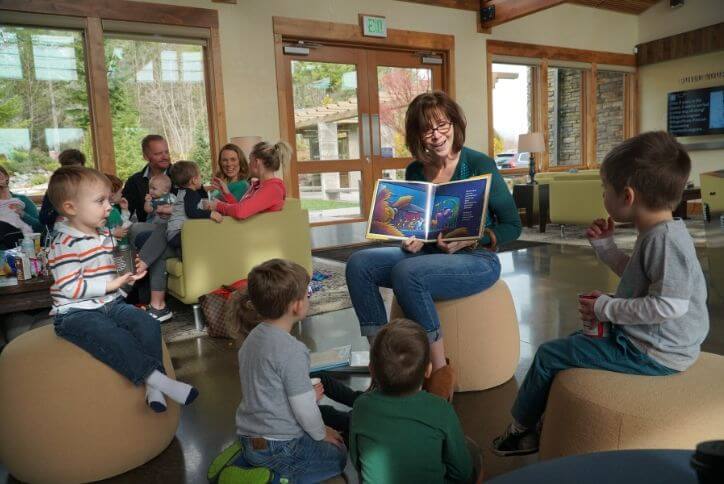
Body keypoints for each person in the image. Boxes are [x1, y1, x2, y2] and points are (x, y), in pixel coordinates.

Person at [492, 131, 709, 456]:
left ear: (627, 196)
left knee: (549, 355)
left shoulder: (664, 241)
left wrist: (607, 308)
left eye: (605, 189)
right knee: (579, 339)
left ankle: (520, 431)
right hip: (657, 341)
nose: (603, 195)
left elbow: (669, 306)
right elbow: (640, 280)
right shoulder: (658, 233)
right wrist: (606, 250)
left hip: (655, 352)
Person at [345, 91, 521, 400]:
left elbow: (513, 226)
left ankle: (440, 372)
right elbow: (415, 222)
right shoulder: (415, 170)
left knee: (407, 273)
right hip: (426, 253)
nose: (437, 135)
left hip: (476, 258)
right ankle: (381, 363)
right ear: (417, 135)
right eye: (427, 129)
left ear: (454, 123)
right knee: (359, 264)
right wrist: (408, 237)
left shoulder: (479, 164)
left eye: (443, 125)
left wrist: (474, 237)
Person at [45, 166, 199, 413]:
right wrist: (112, 284)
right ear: (71, 208)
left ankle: (154, 389)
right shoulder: (63, 244)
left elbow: (117, 263)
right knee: (115, 337)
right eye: (100, 201)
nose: (109, 206)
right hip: (76, 312)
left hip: (110, 304)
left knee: (147, 324)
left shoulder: (103, 233)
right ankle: (159, 381)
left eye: (108, 199)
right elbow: (71, 287)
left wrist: (132, 270)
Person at [208, 259, 347, 484]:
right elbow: (304, 411)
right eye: (308, 292)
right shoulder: (292, 350)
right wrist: (322, 433)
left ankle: (243, 460)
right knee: (338, 456)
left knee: (313, 441)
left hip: (248, 436)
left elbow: (267, 393)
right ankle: (272, 478)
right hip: (280, 446)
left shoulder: (251, 337)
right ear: (296, 305)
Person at [350, 319, 473, 483]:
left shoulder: (361, 406)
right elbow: (462, 473)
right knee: (473, 454)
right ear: (428, 370)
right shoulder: (440, 409)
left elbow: (356, 460)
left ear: (371, 369)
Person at [122, 135, 175, 322]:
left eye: (166, 151)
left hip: (174, 231)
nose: (165, 156)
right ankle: (155, 305)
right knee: (133, 229)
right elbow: (126, 211)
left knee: (139, 231)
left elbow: (192, 205)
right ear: (146, 156)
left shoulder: (179, 174)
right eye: (158, 153)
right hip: (151, 230)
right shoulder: (135, 181)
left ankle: (128, 282)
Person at [208, 141, 288, 220]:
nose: (248, 164)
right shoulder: (258, 186)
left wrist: (217, 205)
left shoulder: (273, 189)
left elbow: (240, 212)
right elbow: (240, 208)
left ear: (257, 162)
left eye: (250, 160)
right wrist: (227, 194)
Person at [165, 161, 222, 253]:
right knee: (206, 237)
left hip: (175, 233)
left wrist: (205, 190)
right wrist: (210, 214)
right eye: (200, 176)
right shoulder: (190, 194)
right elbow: (192, 212)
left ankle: (181, 253)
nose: (201, 179)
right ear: (194, 180)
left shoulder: (184, 191)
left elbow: (199, 200)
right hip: (178, 234)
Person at [39, 148, 86, 232]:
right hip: (62, 231)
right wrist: (55, 215)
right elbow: (43, 218)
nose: (73, 173)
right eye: (69, 169)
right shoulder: (54, 189)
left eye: (77, 169)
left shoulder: (89, 187)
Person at [0, 165, 44, 250]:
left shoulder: (22, 200)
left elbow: (40, 228)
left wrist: (22, 214)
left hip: (27, 248)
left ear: (6, 177)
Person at [105, 174, 131, 243]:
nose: (122, 194)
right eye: (120, 192)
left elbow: (122, 225)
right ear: (112, 195)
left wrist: (124, 210)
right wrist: (113, 233)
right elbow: (98, 230)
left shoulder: (115, 209)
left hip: (122, 245)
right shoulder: (102, 213)